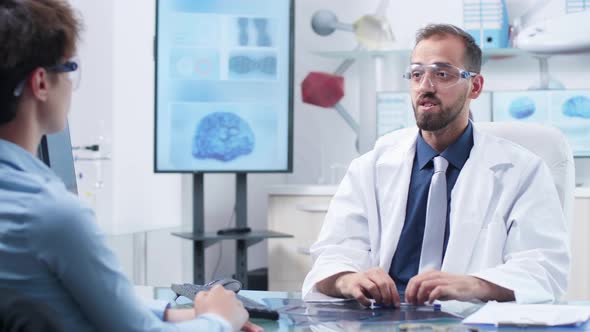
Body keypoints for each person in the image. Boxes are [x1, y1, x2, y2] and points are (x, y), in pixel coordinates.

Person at [0, 1, 261, 331]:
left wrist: (179, 314)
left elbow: (84, 303)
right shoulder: (51, 215)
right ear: (40, 83)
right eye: (70, 69)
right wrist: (219, 319)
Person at [302, 23, 570, 307]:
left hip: (469, 320)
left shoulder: (522, 171)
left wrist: (473, 284)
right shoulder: (370, 167)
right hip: (380, 319)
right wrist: (348, 279)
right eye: (417, 74)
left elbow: (544, 270)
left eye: (442, 74)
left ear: (475, 86)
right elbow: (333, 252)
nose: (425, 87)